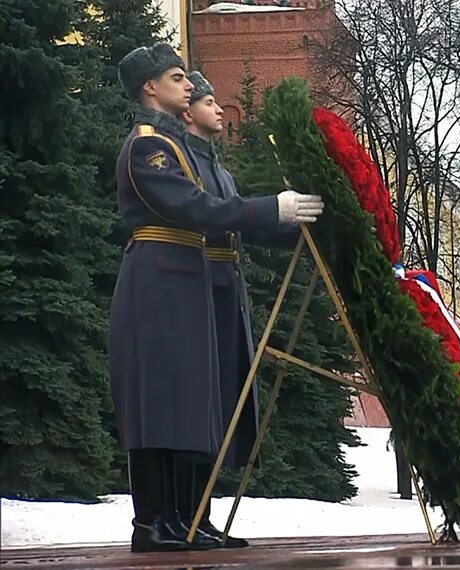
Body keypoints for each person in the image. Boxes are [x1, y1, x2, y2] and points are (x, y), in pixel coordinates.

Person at [110, 43, 323, 553]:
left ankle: (182, 519)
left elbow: (218, 209)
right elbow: (194, 206)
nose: (190, 87)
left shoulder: (178, 146)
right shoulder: (148, 146)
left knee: (185, 403)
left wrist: (296, 220)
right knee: (158, 404)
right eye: (178, 78)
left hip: (184, 278)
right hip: (159, 277)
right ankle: (153, 522)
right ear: (150, 87)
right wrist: (273, 207)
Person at [175, 71, 301, 548]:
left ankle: (201, 516)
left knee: (222, 403)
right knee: (201, 402)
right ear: (188, 113)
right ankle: (187, 515)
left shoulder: (218, 169)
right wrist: (272, 208)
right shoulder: (183, 162)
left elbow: (248, 224)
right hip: (200, 284)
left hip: (227, 288)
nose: (219, 110)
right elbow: (216, 213)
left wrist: (299, 222)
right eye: (209, 102)